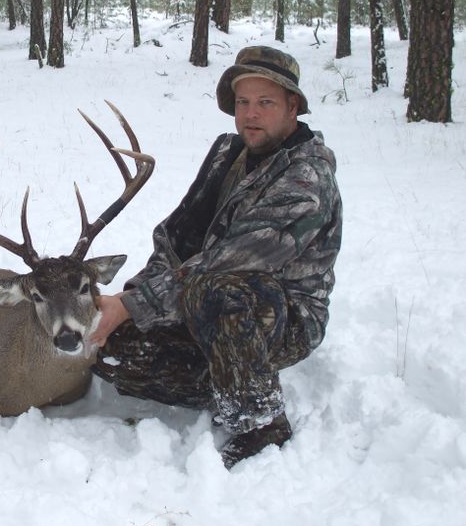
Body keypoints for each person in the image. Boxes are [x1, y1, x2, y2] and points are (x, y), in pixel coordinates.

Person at [89, 46, 342, 469]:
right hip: (205, 299)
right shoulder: (229, 152)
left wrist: (132, 304)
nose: (250, 114)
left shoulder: (306, 177)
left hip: (282, 316)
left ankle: (260, 420)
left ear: (292, 106)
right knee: (114, 353)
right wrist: (129, 302)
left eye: (265, 103)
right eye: (243, 102)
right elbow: (174, 241)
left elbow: (232, 259)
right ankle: (230, 376)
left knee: (217, 289)